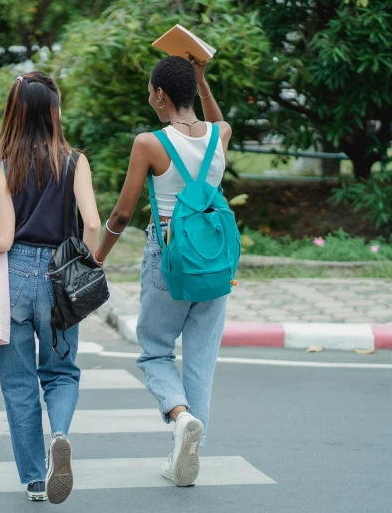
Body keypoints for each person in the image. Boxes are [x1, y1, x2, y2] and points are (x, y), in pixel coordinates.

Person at [0, 71, 101, 503]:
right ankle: (60, 435)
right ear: (54, 111)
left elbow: (4, 240)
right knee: (61, 370)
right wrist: (81, 269)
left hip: (12, 280)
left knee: (18, 383)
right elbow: (92, 224)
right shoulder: (75, 161)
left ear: (14, 113)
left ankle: (33, 479)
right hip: (60, 273)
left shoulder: (5, 166)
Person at [93, 55, 232, 487]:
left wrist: (97, 258)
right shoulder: (220, 136)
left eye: (150, 92)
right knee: (201, 361)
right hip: (214, 260)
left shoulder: (150, 144)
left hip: (168, 257)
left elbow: (121, 213)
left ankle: (180, 415)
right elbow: (218, 119)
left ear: (159, 95)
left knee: (154, 349)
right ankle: (188, 453)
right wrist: (202, 79)